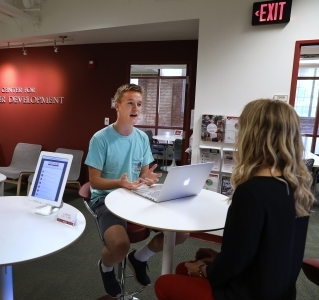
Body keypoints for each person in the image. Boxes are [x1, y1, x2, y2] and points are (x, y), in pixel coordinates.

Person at [154, 99, 315, 300]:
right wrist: (218, 259)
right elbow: (264, 249)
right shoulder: (298, 186)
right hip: (279, 290)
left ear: (253, 136)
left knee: (165, 283)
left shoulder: (252, 191)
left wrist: (205, 270)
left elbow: (237, 260)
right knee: (182, 268)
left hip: (246, 293)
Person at [85, 83, 189, 298]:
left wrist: (147, 179)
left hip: (134, 194)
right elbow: (94, 182)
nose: (135, 108)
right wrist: (119, 183)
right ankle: (105, 267)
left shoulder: (142, 138)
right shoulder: (100, 139)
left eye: (139, 104)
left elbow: (143, 174)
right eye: (130, 103)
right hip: (106, 198)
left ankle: (140, 257)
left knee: (180, 234)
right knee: (120, 246)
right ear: (117, 106)